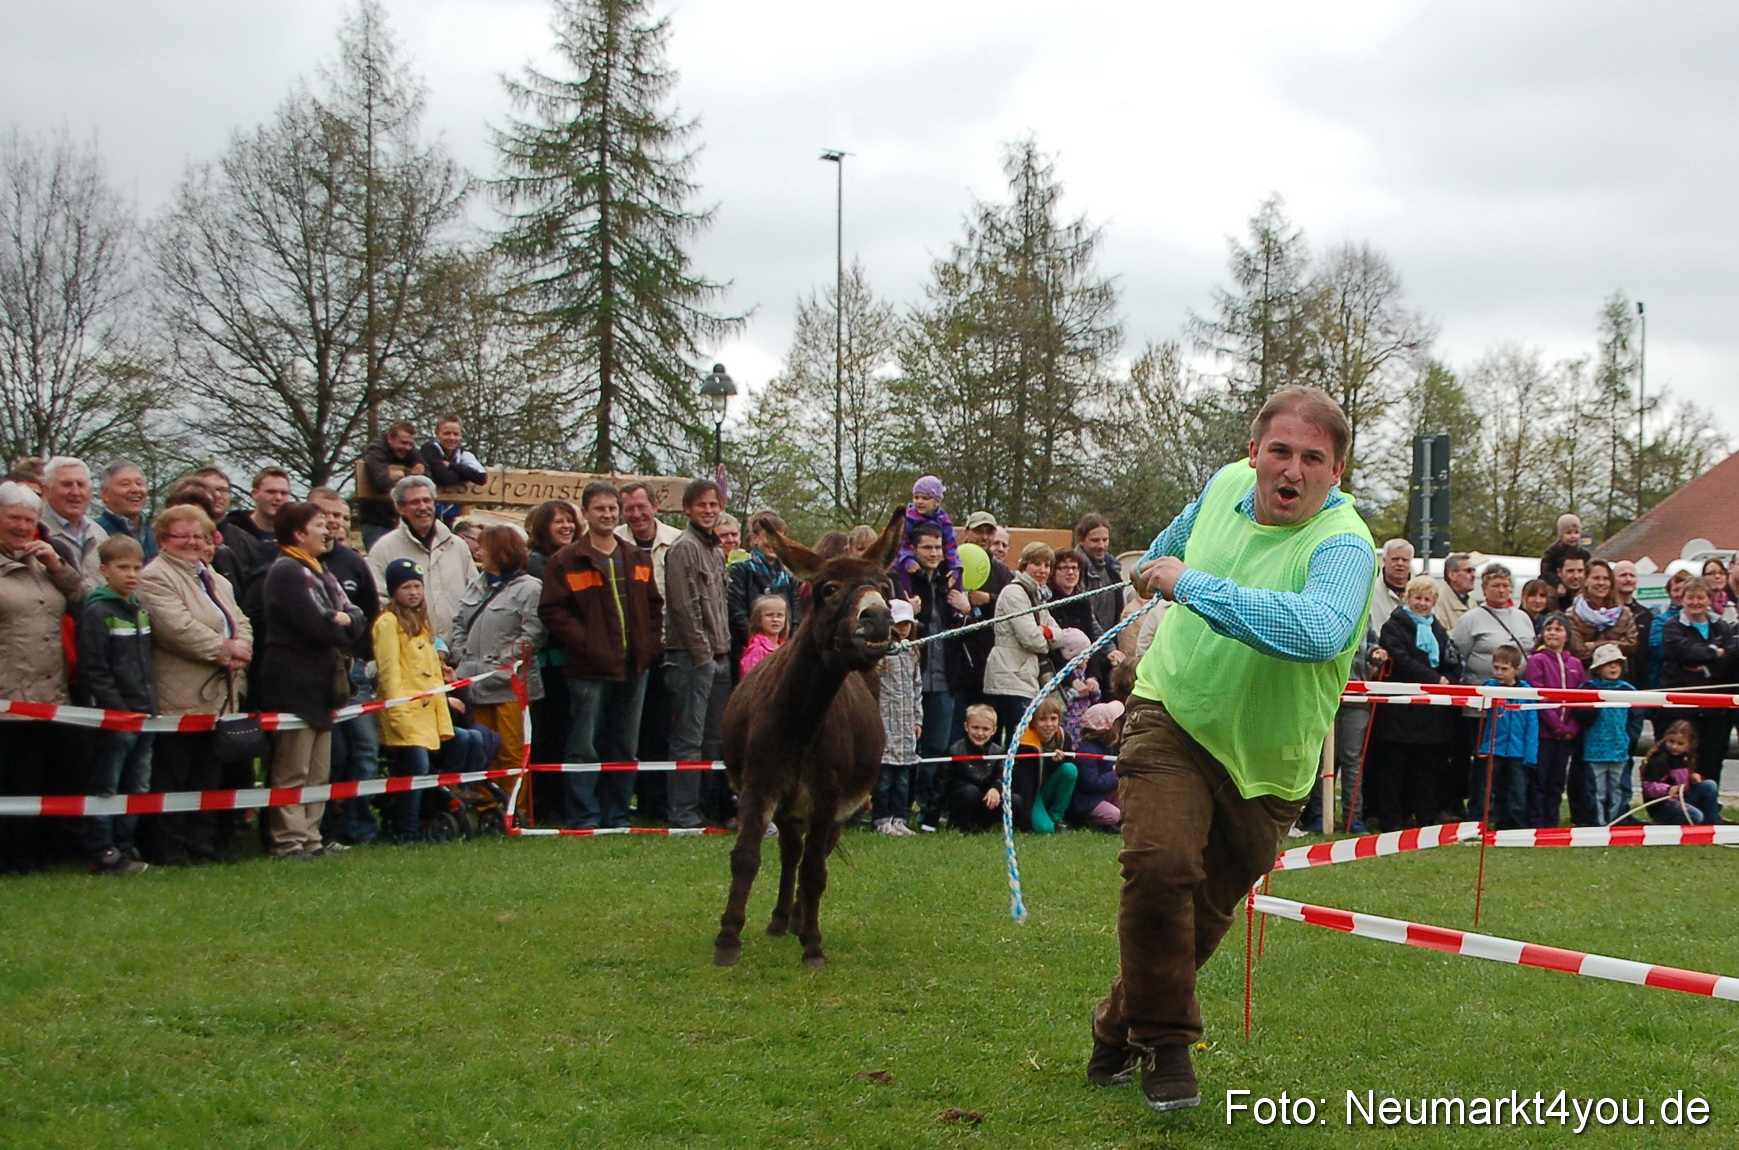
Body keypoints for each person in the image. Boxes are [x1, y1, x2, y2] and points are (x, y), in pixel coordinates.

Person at [1089, 386, 1376, 1113]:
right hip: (1172, 713)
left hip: (1270, 762)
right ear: (1252, 453)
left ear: (1335, 471)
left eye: (1312, 458)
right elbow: (1160, 554)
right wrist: (1153, 570)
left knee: (1204, 915)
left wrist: (1192, 586)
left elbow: (1316, 631)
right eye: (1278, 451)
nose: (1292, 469)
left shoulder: (1344, 546)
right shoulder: (1221, 487)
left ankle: (1116, 1025)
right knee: (1159, 868)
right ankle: (1169, 1047)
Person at [540, 481, 664, 830]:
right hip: (587, 670)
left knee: (624, 746)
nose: (608, 515)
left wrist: (650, 645)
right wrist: (587, 642)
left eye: (613, 508)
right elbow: (552, 611)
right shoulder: (566, 560)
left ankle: (618, 815)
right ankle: (584, 815)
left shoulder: (638, 557)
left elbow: (654, 606)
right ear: (586, 513)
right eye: (600, 509)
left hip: (635, 667)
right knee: (584, 746)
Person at [136, 504, 251, 867]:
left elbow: (241, 620)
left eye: (198, 535)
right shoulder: (154, 577)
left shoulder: (217, 578)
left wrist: (242, 646)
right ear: (162, 540)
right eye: (181, 535)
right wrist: (224, 649)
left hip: (220, 695)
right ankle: (168, 848)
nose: (191, 542)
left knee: (208, 773)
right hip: (178, 695)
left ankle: (203, 844)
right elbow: (177, 629)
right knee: (174, 774)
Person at [257, 502, 366, 859]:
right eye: (319, 524)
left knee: (319, 769)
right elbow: (318, 626)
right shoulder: (288, 573)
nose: (329, 529)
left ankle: (311, 838)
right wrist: (341, 623)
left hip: (323, 687)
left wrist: (344, 621)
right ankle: (288, 840)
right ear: (298, 533)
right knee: (293, 768)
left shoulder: (321, 572)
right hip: (293, 685)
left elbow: (357, 616)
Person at [0, 481, 84, 874]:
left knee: (39, 777)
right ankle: (12, 854)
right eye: (13, 517)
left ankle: (34, 850)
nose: (21, 526)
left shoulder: (44, 561)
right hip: (7, 692)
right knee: (11, 777)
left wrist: (56, 565)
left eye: (28, 519)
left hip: (50, 692)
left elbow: (85, 599)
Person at [75, 534, 156, 876]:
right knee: (106, 784)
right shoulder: (97, 612)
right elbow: (95, 669)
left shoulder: (139, 609)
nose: (131, 574)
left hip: (145, 711)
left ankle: (126, 844)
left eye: (137, 567)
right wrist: (117, 708)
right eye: (122, 567)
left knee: (137, 784)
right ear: (104, 570)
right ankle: (103, 848)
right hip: (117, 715)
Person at [308, 487, 383, 846]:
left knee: (366, 751)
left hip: (356, 672)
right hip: (319, 673)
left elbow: (370, 614)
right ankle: (324, 827)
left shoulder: (354, 563)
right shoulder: (297, 565)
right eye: (326, 516)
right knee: (331, 756)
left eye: (340, 516)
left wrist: (369, 659)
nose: (334, 523)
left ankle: (360, 826)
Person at [450, 526, 544, 784]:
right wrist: (462, 658)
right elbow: (459, 623)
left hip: (510, 687)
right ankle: (485, 808)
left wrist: (500, 665)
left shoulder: (530, 588)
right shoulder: (475, 585)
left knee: (511, 752)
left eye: (485, 547)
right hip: (475, 685)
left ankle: (515, 811)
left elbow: (532, 634)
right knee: (482, 751)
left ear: (501, 551)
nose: (479, 551)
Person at [661, 479, 729, 829]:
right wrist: (704, 657)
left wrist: (721, 653)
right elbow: (684, 607)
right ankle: (683, 811)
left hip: (719, 656)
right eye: (701, 505)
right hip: (691, 657)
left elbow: (720, 606)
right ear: (687, 509)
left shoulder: (716, 551)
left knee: (714, 739)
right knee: (689, 738)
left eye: (713, 504)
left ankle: (708, 806)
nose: (708, 510)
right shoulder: (684, 548)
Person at [1369, 575, 1464, 830]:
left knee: (1426, 772)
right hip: (1400, 713)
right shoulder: (1393, 626)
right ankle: (1391, 821)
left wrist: (1450, 679)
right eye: (1417, 598)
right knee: (1394, 771)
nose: (1422, 603)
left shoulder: (1437, 628)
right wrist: (1435, 679)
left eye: (1427, 599)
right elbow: (1401, 660)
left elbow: (1451, 659)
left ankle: (1424, 819)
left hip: (1431, 715)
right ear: (1408, 599)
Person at [372, 558, 453, 842]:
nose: (413, 593)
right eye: (406, 587)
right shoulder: (388, 623)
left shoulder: (422, 624)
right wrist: (396, 711)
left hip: (428, 712)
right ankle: (405, 828)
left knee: (426, 768)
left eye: (418, 586)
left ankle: (420, 819)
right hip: (405, 711)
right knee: (414, 768)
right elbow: (389, 670)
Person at [901, 521, 968, 830]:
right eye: (927, 547)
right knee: (904, 746)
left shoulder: (951, 581)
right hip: (908, 677)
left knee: (937, 748)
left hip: (945, 678)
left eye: (938, 547)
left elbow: (968, 627)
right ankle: (899, 808)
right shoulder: (901, 580)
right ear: (914, 549)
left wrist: (968, 609)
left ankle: (930, 808)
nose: (933, 553)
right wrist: (906, 609)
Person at [366, 475, 479, 645]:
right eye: (414, 502)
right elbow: (379, 601)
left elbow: (475, 592)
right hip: (412, 652)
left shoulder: (457, 546)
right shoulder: (383, 549)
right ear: (400, 508)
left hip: (458, 651)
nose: (423, 507)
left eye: (427, 500)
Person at [1660, 576, 1737, 787]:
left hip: (1715, 709)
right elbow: (1683, 651)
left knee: (1712, 759)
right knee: (1682, 762)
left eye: (1701, 597)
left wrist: (1704, 665)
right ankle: (1684, 809)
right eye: (1691, 597)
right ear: (1682, 599)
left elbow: (1730, 658)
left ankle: (1711, 810)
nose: (1695, 602)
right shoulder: (1672, 626)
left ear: (1709, 599)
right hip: (1684, 707)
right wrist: (1715, 653)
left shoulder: (1721, 626)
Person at [984, 541, 1062, 745]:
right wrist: (1046, 639)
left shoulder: (1038, 595)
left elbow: (1060, 635)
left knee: (1022, 740)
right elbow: (1032, 640)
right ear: (1024, 565)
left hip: (1027, 676)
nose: (1043, 570)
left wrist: (1045, 632)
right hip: (1009, 677)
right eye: (1037, 564)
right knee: (1017, 740)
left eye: (1047, 565)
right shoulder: (1014, 593)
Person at [1525, 613, 1587, 829]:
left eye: (1558, 629)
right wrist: (1557, 726)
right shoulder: (1537, 661)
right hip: (1544, 732)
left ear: (1567, 636)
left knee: (1556, 781)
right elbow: (1538, 695)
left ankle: (1552, 821)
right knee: (1539, 779)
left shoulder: (1576, 664)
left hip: (1567, 734)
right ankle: (1536, 822)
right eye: (1549, 628)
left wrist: (1572, 727)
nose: (1553, 632)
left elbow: (1582, 697)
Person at [727, 512, 801, 674]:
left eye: (780, 539)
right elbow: (736, 612)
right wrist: (757, 643)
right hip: (749, 651)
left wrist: (787, 646)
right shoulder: (741, 571)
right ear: (755, 538)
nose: (774, 544)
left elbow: (795, 616)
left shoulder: (789, 578)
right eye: (769, 537)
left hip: (782, 651)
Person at [872, 599, 923, 835]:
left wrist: (917, 719)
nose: (902, 628)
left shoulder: (912, 651)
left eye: (907, 623)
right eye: (898, 623)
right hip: (885, 721)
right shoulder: (878, 653)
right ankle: (881, 817)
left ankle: (899, 817)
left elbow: (916, 687)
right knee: (884, 777)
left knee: (903, 777)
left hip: (905, 725)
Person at [1474, 646, 1537, 831]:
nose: (1498, 673)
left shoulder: (1527, 693)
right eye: (1496, 667)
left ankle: (1514, 828)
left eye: (1504, 669)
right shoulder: (1490, 688)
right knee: (1486, 791)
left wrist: (1531, 755)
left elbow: (1532, 725)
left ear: (1517, 669)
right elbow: (1479, 704)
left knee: (1517, 793)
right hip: (1493, 748)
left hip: (1517, 752)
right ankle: (1479, 826)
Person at [221, 467, 293, 622]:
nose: (278, 498)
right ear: (255, 494)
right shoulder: (230, 533)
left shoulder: (295, 537)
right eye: (271, 492)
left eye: (284, 493)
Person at [1451, 563, 1536, 684]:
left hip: (1519, 694)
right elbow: (1457, 658)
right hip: (1482, 693)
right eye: (1496, 586)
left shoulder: (1523, 617)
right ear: (1484, 589)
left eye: (1505, 585)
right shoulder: (1470, 619)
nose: (1501, 590)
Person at [1581, 643, 1635, 826]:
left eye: (1617, 663)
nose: (1613, 667)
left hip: (1620, 750)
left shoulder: (1628, 691)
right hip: (1594, 751)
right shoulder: (1587, 690)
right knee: (1597, 791)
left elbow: (1636, 718)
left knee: (1619, 789)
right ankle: (1598, 824)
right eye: (1608, 663)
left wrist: (1631, 737)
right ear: (1598, 668)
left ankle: (1617, 822)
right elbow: (1581, 717)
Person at [1012, 692, 1077, 834]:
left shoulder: (1064, 737)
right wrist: (1026, 821)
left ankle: (1057, 817)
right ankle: (1038, 818)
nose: (1049, 724)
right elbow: (1026, 785)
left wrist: (1059, 761)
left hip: (1049, 786)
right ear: (1033, 722)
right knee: (1044, 829)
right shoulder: (1025, 743)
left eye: (1053, 719)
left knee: (1070, 769)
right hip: (1032, 792)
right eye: (1042, 719)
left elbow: (1064, 776)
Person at [359, 420, 427, 549]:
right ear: (390, 438)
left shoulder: (411, 452)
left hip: (402, 522)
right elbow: (381, 484)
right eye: (403, 443)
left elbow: (427, 478)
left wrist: (403, 474)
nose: (407, 447)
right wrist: (411, 475)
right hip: (376, 522)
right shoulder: (375, 452)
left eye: (410, 444)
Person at [941, 703, 1007, 833]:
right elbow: (941, 784)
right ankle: (961, 825)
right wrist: (929, 822)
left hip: (986, 799)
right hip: (963, 798)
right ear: (966, 727)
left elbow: (1002, 775)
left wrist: (996, 788)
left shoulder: (999, 752)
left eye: (985, 729)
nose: (980, 733)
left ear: (994, 730)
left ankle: (985, 824)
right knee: (970, 791)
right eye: (975, 727)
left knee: (1015, 800)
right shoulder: (955, 750)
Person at [39, 456, 107, 581]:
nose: (75, 492)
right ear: (46, 490)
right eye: (66, 484)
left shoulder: (100, 534)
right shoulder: (36, 531)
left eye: (81, 485)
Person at [1642, 721, 1722, 825]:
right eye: (1671, 741)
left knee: (1710, 785)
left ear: (1689, 745)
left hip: (1683, 799)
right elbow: (1648, 787)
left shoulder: (1685, 759)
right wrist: (1667, 789)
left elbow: (1684, 781)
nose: (1674, 746)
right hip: (1664, 805)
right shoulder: (1660, 760)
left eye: (1680, 744)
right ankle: (1663, 823)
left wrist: (1693, 778)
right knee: (1696, 816)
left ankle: (1712, 825)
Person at [893, 475, 961, 593]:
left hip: (934, 562)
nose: (919, 501)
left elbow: (950, 544)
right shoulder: (909, 518)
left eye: (925, 498)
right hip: (908, 557)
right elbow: (900, 542)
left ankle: (954, 605)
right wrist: (907, 558)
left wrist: (955, 565)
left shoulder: (943, 520)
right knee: (902, 570)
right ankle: (907, 597)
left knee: (955, 573)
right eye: (916, 497)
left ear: (937, 502)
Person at [420, 415, 487, 524]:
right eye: (447, 433)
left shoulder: (463, 454)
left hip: (452, 515)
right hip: (428, 513)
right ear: (437, 434)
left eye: (456, 434)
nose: (451, 438)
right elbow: (444, 478)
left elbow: (481, 478)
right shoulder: (429, 449)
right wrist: (466, 474)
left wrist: (452, 466)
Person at [1070, 700, 1123, 830]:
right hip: (1087, 801)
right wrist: (1115, 774)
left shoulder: (1105, 746)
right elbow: (1091, 783)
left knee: (1125, 803)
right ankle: (1089, 820)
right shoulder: (1088, 750)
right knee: (1114, 815)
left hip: (1102, 794)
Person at [1076, 513, 1126, 640]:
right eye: (1095, 540)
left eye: (1105, 540)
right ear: (1081, 540)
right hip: (1088, 643)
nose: (1101, 546)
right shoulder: (1075, 570)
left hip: (1110, 641)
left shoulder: (1112, 568)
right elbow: (1087, 616)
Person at [94, 459, 156, 561]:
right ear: (104, 493)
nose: (135, 489)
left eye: (139, 483)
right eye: (125, 484)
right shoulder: (96, 533)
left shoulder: (157, 532)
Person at [739, 594, 788, 679]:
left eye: (780, 615)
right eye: (769, 615)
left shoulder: (785, 647)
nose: (775, 620)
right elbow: (751, 681)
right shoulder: (756, 650)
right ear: (758, 620)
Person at [1538, 513, 1584, 591]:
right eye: (1569, 533)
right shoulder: (1552, 552)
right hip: (1552, 585)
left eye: (1576, 532)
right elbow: (1546, 572)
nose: (1573, 536)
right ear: (1561, 535)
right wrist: (1558, 584)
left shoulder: (1582, 553)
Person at [1372, 539, 1414, 623]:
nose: (1400, 563)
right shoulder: (1371, 593)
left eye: (1405, 560)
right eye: (1395, 559)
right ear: (1384, 560)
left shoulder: (1424, 594)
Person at [1433, 553, 1475, 632]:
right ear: (1452, 575)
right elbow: (1441, 636)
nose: (1473, 575)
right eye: (1468, 571)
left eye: (1474, 570)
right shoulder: (1437, 601)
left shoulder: (1472, 602)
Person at [1703, 557, 1737, 623]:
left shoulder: (1732, 605)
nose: (1717, 576)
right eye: (1711, 573)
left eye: (1721, 573)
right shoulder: (1699, 605)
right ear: (1703, 577)